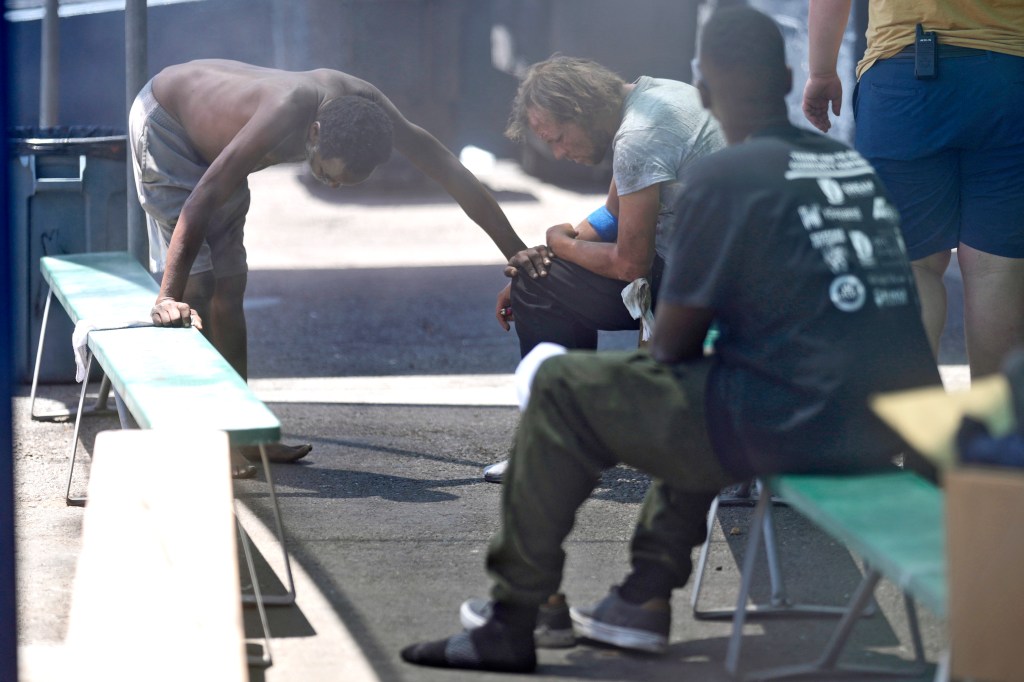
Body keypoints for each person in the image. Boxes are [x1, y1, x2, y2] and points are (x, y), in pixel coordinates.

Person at [400, 6, 942, 673]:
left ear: (709, 93)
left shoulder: (721, 180)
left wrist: (612, 412)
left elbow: (671, 347)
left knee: (566, 386)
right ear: (784, 79)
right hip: (882, 433)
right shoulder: (850, 170)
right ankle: (641, 599)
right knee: (710, 396)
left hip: (792, 429)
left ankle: (517, 615)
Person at [128, 59, 543, 475]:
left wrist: (514, 249)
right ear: (315, 133)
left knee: (230, 288)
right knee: (198, 291)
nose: (331, 185)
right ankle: (208, 438)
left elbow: (449, 170)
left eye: (341, 183)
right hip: (171, 128)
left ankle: (243, 432)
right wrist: (167, 295)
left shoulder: (368, 112)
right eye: (327, 173)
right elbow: (201, 198)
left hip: (220, 156)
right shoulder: (284, 110)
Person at [482, 54, 726, 482]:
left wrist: (556, 243)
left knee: (538, 288)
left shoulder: (638, 137)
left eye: (558, 138)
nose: (559, 153)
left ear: (580, 110)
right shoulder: (657, 94)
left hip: (711, 289)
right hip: (715, 271)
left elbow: (631, 263)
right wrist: (546, 258)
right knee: (538, 279)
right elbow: (614, 213)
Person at [802, 0, 1024, 379]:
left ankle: (911, 432)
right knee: (995, 268)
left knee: (911, 266)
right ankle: (997, 432)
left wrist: (822, 71)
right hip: (1009, 76)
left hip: (904, 79)